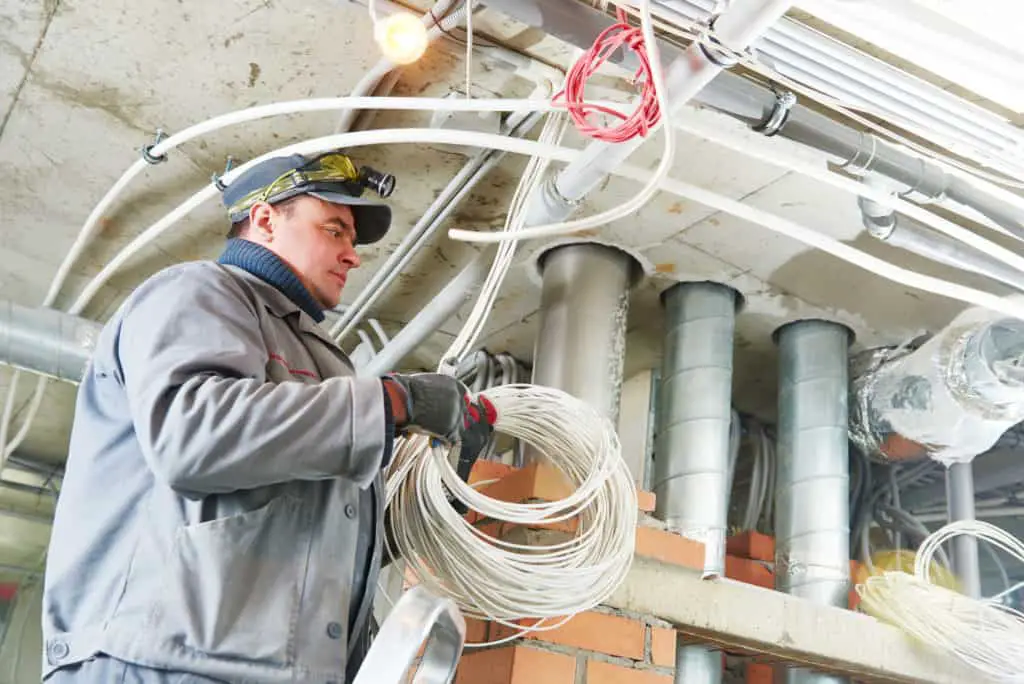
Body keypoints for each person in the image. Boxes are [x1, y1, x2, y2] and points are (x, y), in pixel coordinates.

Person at [40, 151, 496, 683]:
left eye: (352, 240)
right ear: (264, 219)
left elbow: (319, 536)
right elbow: (194, 436)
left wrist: (443, 490)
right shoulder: (199, 292)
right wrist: (396, 401)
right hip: (158, 665)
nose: (352, 255)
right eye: (335, 229)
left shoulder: (319, 361)